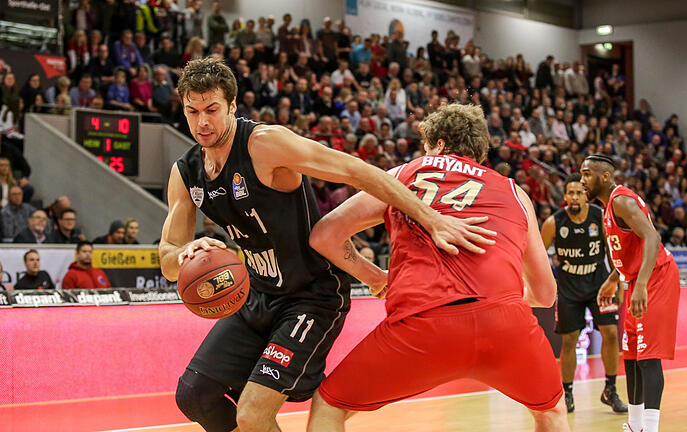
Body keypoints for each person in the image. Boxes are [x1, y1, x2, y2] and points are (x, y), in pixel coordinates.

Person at [158, 58, 489, 432]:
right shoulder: (185, 173)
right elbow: (169, 259)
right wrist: (183, 255)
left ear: (232, 106)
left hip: (310, 296)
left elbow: (356, 170)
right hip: (256, 295)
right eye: (193, 111)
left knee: (252, 413)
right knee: (195, 394)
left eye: (212, 110)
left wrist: (431, 217)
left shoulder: (265, 144)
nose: (202, 122)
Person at [306, 104, 568, 432]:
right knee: (551, 412)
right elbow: (545, 295)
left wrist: (374, 277)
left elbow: (323, 235)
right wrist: (495, 301)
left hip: (422, 326)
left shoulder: (402, 174)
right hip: (506, 326)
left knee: (330, 405)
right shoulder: (515, 192)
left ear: (438, 144)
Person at [580, 154, 680, 432]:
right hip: (637, 279)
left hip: (656, 277)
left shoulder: (621, 201)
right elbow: (628, 249)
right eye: (580, 174)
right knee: (633, 356)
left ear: (605, 176)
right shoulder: (607, 209)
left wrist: (641, 285)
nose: (582, 180)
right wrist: (615, 278)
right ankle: (636, 426)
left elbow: (652, 236)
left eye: (587, 174)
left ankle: (650, 428)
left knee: (648, 356)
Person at [541, 174, 627, 414]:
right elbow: (537, 255)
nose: (575, 197)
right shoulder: (554, 223)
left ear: (585, 195)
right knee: (569, 340)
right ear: (565, 196)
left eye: (579, 192)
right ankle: (567, 392)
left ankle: (610, 390)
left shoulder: (599, 217)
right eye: (571, 193)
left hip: (600, 283)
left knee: (611, 334)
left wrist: (617, 281)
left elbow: (613, 251)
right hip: (569, 286)